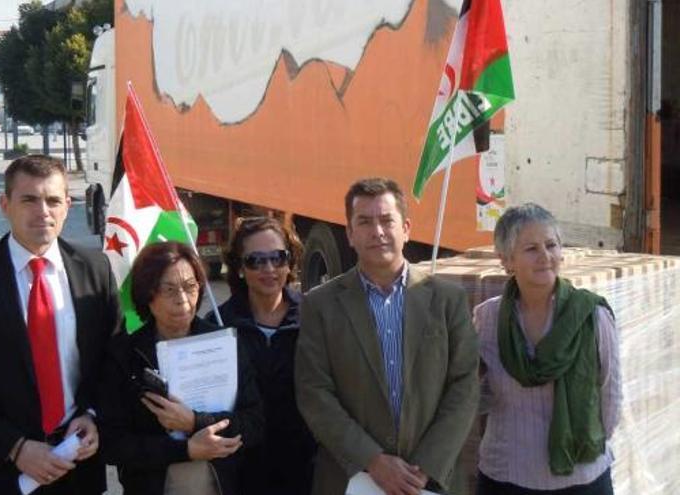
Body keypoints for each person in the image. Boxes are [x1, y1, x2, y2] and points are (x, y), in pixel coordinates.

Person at [0, 155, 120, 494]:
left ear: (68, 205)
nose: (43, 211)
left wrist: (93, 414)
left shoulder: (95, 270)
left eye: (52, 200)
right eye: (29, 199)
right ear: (5, 204)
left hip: (76, 466)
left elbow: (113, 359)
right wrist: (16, 447)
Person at [295, 177, 480, 495]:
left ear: (406, 228)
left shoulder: (448, 299)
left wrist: (424, 467)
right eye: (364, 222)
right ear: (350, 234)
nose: (377, 232)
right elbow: (314, 393)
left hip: (433, 481)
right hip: (353, 479)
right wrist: (373, 460)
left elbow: (464, 386)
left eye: (386, 220)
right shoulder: (320, 305)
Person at [473, 203, 621, 495]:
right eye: (531, 248)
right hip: (506, 474)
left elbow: (610, 395)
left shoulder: (591, 316)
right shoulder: (487, 319)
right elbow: (474, 395)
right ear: (506, 260)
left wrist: (584, 444)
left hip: (582, 476)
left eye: (551, 245)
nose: (545, 257)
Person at [97, 241, 264, 495]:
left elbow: (253, 423)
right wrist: (184, 450)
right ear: (147, 293)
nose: (183, 300)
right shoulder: (126, 354)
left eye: (190, 287)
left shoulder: (224, 344)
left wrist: (195, 422)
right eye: (169, 289)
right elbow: (113, 444)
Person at [208, 216, 315, 494]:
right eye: (256, 260)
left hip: (303, 469)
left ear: (289, 262)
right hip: (241, 471)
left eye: (278, 258)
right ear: (240, 268)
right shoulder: (218, 324)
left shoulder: (315, 318)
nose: (269, 268)